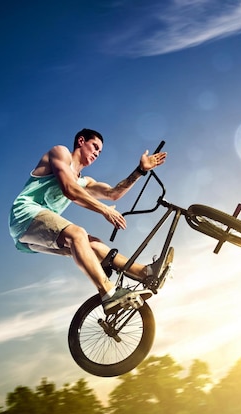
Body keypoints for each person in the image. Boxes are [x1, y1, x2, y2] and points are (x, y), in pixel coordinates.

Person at [9, 128, 168, 313]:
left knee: (94, 245)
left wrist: (140, 170)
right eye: (94, 147)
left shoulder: (85, 182)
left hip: (29, 239)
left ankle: (144, 272)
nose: (96, 153)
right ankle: (109, 293)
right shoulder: (60, 153)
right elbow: (68, 188)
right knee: (77, 234)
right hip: (25, 214)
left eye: (99, 152)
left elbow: (113, 193)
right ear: (81, 141)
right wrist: (104, 210)